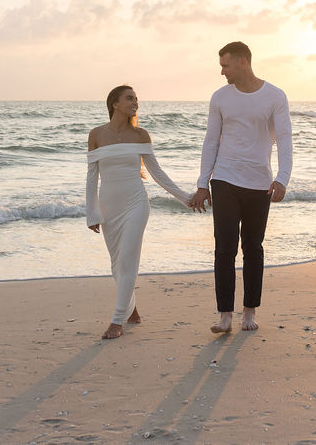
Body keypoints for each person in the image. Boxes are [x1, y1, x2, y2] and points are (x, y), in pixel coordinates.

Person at [188, 41, 293, 333]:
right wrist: (202, 184)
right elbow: (211, 141)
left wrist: (282, 178)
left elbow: (284, 139)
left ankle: (249, 311)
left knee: (253, 247)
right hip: (224, 178)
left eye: (225, 65)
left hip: (259, 181)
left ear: (242, 63)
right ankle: (225, 316)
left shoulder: (275, 96)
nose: (222, 72)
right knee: (224, 247)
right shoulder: (220, 98)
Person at [86, 85, 193, 340]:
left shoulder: (141, 135)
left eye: (136, 98)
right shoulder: (96, 135)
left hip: (136, 203)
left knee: (128, 261)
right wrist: (92, 212)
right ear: (115, 104)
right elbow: (92, 177)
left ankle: (117, 319)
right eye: (130, 98)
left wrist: (186, 198)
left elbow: (157, 173)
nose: (136, 102)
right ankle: (131, 307)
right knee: (116, 264)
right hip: (109, 205)